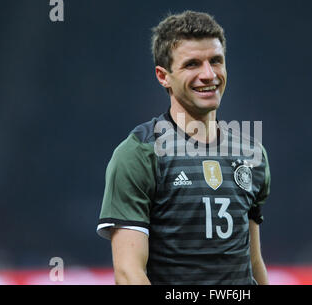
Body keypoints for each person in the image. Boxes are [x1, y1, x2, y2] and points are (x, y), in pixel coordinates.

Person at [96, 10, 271, 285]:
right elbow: (129, 274)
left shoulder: (252, 153)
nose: (209, 74)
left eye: (216, 61)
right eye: (192, 64)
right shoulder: (139, 154)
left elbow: (252, 261)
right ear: (163, 76)